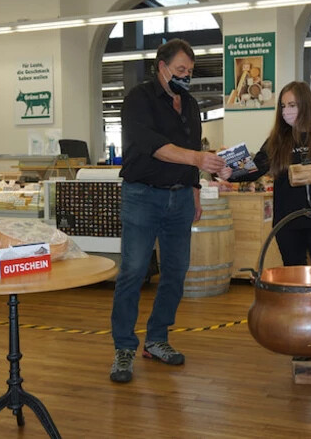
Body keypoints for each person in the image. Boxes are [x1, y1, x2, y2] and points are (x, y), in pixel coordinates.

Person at [110, 38, 231, 383]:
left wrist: (194, 188)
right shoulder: (138, 100)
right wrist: (196, 159)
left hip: (180, 198)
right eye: (180, 70)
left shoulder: (190, 104)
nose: (186, 77)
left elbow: (193, 147)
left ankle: (157, 339)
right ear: (162, 68)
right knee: (133, 271)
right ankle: (123, 347)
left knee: (176, 272)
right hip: (142, 196)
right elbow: (154, 147)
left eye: (189, 72)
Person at [230, 80, 311, 362]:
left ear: (306, 105)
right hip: (288, 225)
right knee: (296, 287)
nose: (287, 111)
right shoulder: (277, 141)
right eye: (283, 106)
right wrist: (226, 169)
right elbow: (252, 169)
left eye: (292, 105)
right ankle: (303, 344)